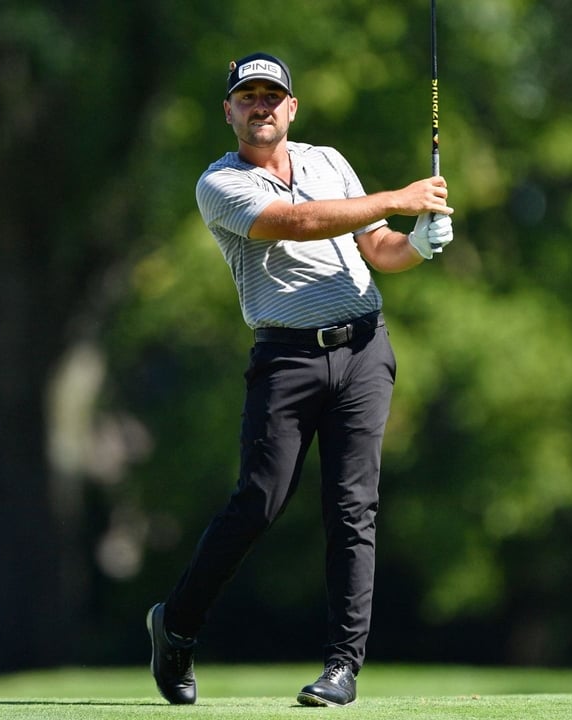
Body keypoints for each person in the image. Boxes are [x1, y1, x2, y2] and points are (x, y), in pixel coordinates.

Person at [147, 52, 454, 707]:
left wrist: (419, 242)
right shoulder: (220, 184)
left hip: (365, 349)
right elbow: (293, 224)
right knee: (258, 503)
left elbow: (378, 250)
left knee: (353, 511)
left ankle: (342, 667)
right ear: (229, 110)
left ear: (292, 107)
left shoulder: (330, 162)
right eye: (247, 96)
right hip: (285, 360)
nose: (261, 105)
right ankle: (175, 625)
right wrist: (400, 198)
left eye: (272, 95)